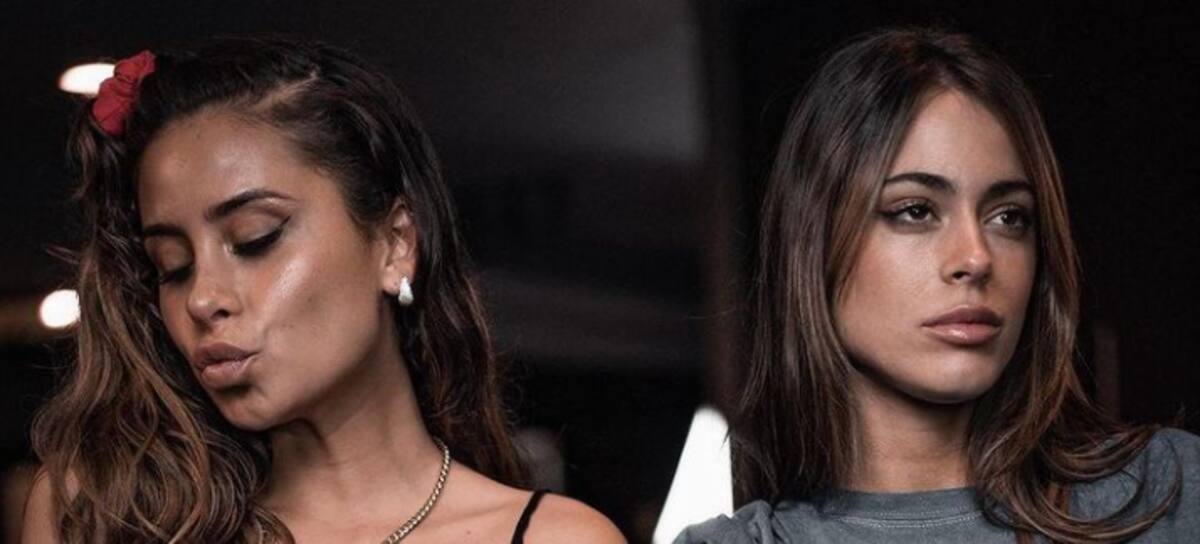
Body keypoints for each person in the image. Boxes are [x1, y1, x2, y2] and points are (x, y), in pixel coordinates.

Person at [22, 36, 625, 544]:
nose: (202, 298)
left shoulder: (554, 538)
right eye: (172, 267)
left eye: (255, 239)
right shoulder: (100, 515)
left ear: (394, 244)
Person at [677, 27, 1199, 543]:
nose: (976, 257)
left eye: (1009, 217)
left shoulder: (1169, 496)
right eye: (915, 210)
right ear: (814, 243)